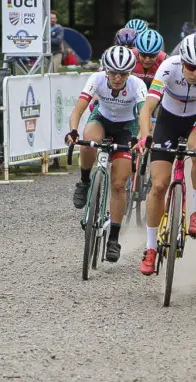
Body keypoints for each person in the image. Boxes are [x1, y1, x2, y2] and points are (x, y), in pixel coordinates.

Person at [136, 34, 196, 275]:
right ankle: (150, 248)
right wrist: (145, 135)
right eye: (190, 67)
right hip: (169, 120)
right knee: (159, 186)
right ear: (182, 61)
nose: (195, 73)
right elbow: (147, 108)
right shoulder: (168, 67)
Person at [67, 46, 148, 262]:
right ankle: (84, 182)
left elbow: (143, 116)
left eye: (123, 73)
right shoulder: (96, 79)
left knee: (119, 184)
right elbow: (78, 110)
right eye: (113, 73)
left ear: (130, 73)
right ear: (106, 71)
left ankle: (113, 238)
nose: (118, 78)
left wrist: (140, 137)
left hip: (126, 128)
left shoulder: (137, 85)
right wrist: (73, 130)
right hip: (101, 119)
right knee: (87, 141)